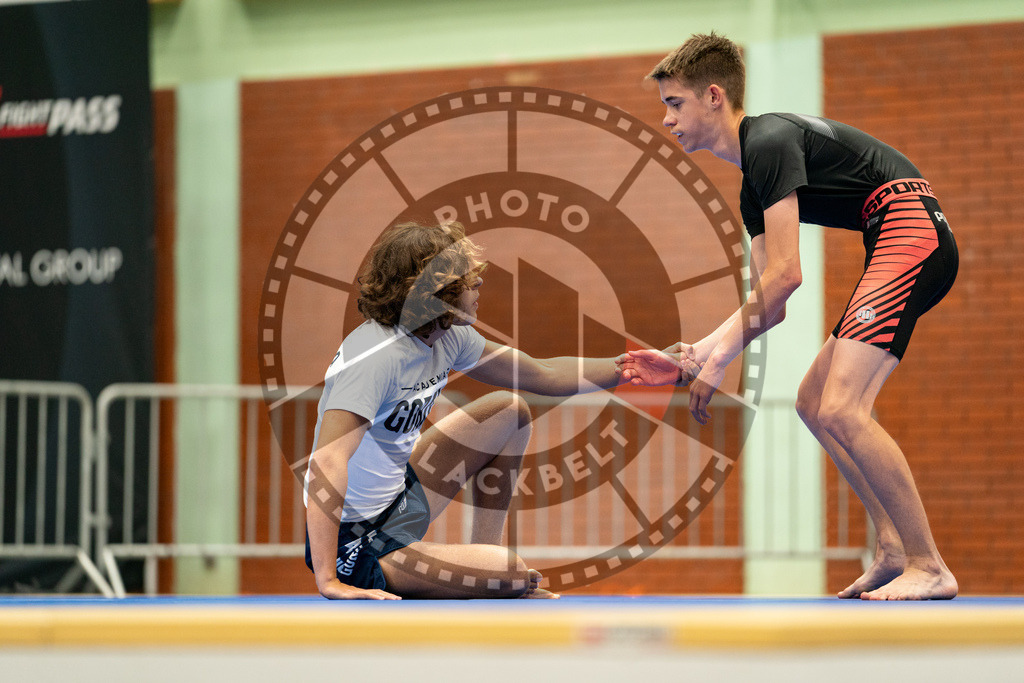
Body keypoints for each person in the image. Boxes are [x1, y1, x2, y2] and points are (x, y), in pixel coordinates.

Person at [617, 33, 958, 600]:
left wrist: (720, 355)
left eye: (674, 103)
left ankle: (929, 563)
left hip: (911, 232)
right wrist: (699, 353)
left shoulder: (770, 140)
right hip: (897, 237)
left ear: (714, 97)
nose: (667, 119)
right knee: (812, 402)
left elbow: (787, 275)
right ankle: (894, 550)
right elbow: (770, 302)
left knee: (844, 407)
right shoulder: (755, 184)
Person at [305, 220, 625, 600]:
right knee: (512, 573)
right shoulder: (374, 357)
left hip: (400, 498)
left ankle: (486, 559)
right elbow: (327, 461)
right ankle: (495, 575)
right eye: (466, 279)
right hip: (358, 541)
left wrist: (631, 367)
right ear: (433, 291)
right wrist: (328, 579)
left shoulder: (448, 337)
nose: (479, 285)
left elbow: (545, 373)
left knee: (509, 410)